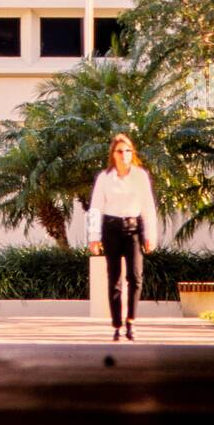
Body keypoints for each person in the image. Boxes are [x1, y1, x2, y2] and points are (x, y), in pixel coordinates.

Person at [88, 134, 157, 342]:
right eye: (120, 151)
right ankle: (117, 324)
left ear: (132, 153)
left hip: (133, 229)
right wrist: (94, 237)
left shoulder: (140, 176)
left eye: (127, 151)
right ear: (113, 154)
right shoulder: (105, 178)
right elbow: (96, 207)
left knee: (135, 277)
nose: (124, 155)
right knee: (114, 278)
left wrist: (150, 236)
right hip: (111, 229)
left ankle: (131, 321)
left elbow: (148, 208)